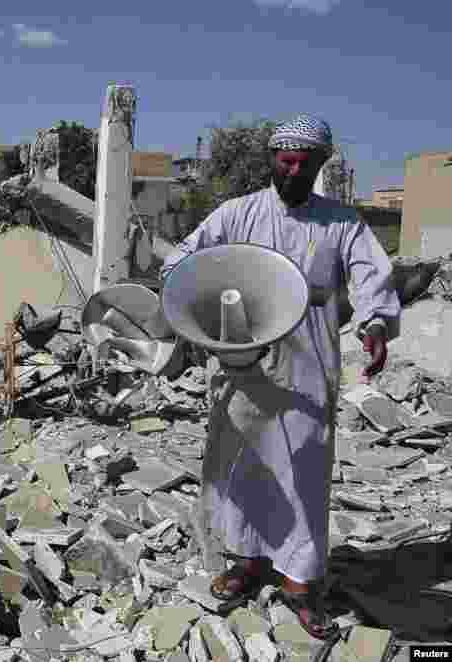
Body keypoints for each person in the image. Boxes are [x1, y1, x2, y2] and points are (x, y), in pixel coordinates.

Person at [160, 115, 400, 639]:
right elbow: (181, 264)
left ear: (318, 165)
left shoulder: (341, 222)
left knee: (302, 470)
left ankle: (299, 582)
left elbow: (370, 278)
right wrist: (193, 311)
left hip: (308, 360)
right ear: (271, 159)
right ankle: (247, 561)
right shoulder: (236, 213)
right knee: (241, 464)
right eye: (284, 161)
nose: (292, 171)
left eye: (303, 163)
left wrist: (375, 324)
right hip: (242, 358)